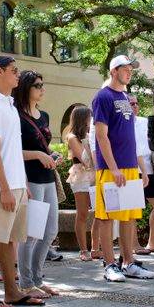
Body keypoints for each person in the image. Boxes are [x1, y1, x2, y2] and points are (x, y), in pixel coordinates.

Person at [0, 55, 44, 307]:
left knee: (8, 240)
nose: (18, 75)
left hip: (14, 182)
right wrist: (3, 188)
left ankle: (11, 292)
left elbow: (12, 150)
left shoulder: (10, 105)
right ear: (0, 72)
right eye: (14, 71)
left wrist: (21, 182)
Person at [92, 54, 154, 282]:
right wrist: (114, 168)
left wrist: (141, 169)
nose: (130, 72)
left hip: (130, 167)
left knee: (129, 217)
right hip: (111, 169)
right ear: (113, 71)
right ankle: (110, 264)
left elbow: (131, 137)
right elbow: (101, 135)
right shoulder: (103, 96)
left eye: (131, 69)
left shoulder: (126, 97)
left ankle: (128, 262)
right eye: (125, 68)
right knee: (108, 217)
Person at [15, 70, 60, 298]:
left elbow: (44, 147)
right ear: (26, 88)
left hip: (47, 177)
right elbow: (11, 151)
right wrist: (38, 155)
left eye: (42, 84)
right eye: (38, 85)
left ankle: (37, 278)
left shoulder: (44, 116)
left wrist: (51, 154)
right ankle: (25, 282)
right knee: (31, 233)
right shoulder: (16, 115)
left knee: (50, 230)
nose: (42, 89)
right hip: (30, 178)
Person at [64, 104, 96, 261]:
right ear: (82, 119)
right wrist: (87, 141)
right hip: (81, 175)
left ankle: (96, 248)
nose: (91, 120)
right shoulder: (72, 137)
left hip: (95, 174)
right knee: (82, 213)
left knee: (100, 212)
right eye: (89, 117)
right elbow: (85, 159)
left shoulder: (92, 134)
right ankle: (83, 250)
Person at [133, 95, 154, 256]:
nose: (135, 106)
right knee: (133, 209)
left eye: (136, 103)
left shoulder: (145, 122)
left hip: (150, 169)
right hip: (132, 170)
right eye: (131, 103)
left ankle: (153, 242)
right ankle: (134, 244)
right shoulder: (120, 124)